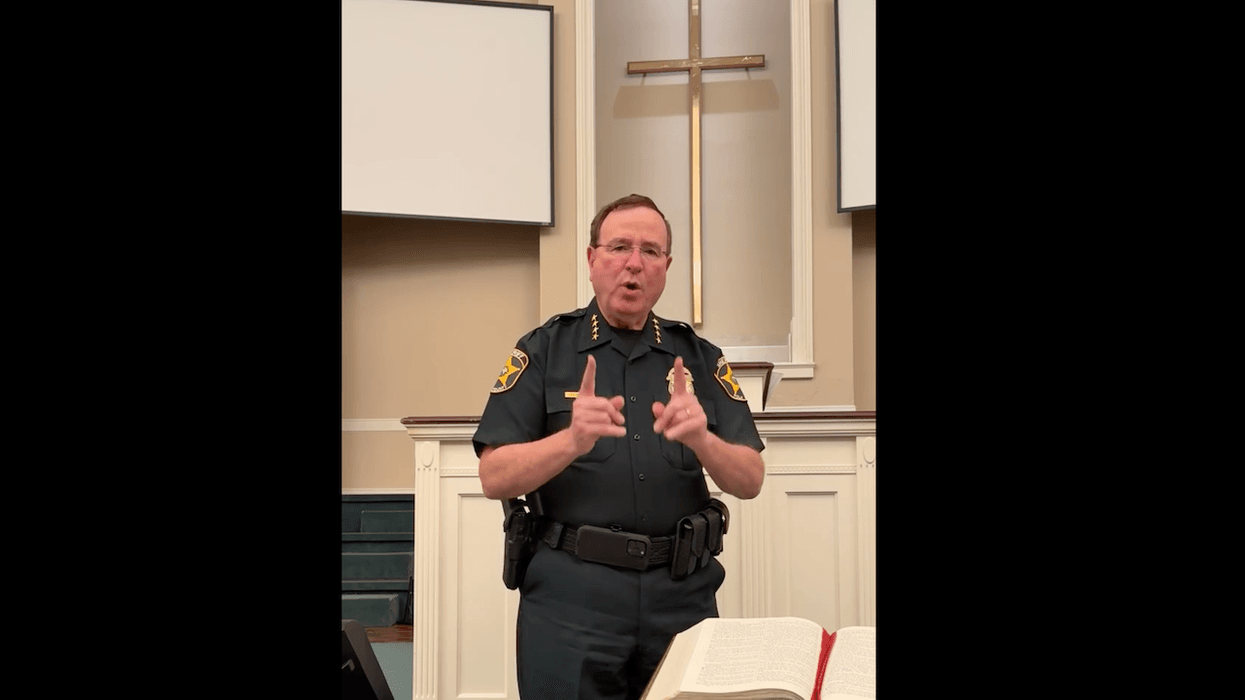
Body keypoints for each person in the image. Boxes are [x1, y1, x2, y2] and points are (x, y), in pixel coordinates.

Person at [473, 193, 765, 700]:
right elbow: (494, 476)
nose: (634, 263)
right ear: (592, 260)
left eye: (651, 251)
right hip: (571, 606)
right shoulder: (544, 350)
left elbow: (750, 479)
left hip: (682, 601)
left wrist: (702, 440)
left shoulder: (699, 357)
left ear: (666, 267)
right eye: (620, 247)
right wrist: (571, 440)